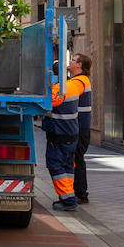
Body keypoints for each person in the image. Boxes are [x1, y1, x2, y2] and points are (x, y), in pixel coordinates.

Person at [44, 64, 89, 211]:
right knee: (69, 166)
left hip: (59, 135)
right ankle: (70, 195)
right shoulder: (73, 87)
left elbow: (49, 102)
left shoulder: (58, 89)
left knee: (56, 165)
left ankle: (68, 199)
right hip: (72, 134)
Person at [68, 52, 93, 204]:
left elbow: (63, 96)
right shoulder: (79, 80)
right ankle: (80, 192)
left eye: (73, 60)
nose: (70, 62)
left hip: (79, 127)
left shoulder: (78, 82)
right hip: (81, 127)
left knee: (77, 159)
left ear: (79, 65)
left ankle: (81, 194)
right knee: (78, 159)